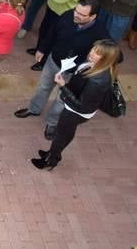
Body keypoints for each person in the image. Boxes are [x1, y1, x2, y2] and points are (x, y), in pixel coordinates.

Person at [15, 0, 110, 140]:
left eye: (82, 14)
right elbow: (52, 33)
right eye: (76, 10)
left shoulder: (100, 32)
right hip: (53, 61)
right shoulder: (67, 15)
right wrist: (42, 49)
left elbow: (114, 54)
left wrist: (94, 62)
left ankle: (52, 123)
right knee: (43, 87)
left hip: (72, 72)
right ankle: (34, 109)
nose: (76, 15)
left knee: (62, 99)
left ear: (93, 17)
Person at [30, 39, 119, 170]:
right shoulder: (97, 66)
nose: (91, 53)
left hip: (75, 111)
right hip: (78, 107)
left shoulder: (97, 80)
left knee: (60, 134)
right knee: (67, 132)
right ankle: (54, 154)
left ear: (106, 58)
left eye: (97, 52)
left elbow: (80, 105)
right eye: (94, 49)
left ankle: (51, 160)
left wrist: (62, 86)